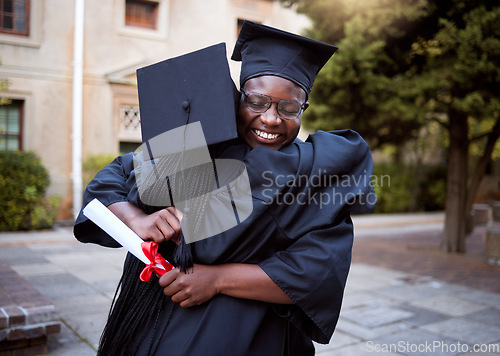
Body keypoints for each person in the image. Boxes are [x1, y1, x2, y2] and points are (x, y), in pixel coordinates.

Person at [74, 21, 375, 355]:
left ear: (303, 108)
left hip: (254, 335)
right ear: (237, 97)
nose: (271, 118)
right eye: (257, 101)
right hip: (156, 322)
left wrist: (217, 279)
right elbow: (109, 182)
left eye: (289, 107)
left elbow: (317, 272)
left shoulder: (310, 175)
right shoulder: (195, 144)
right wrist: (137, 220)